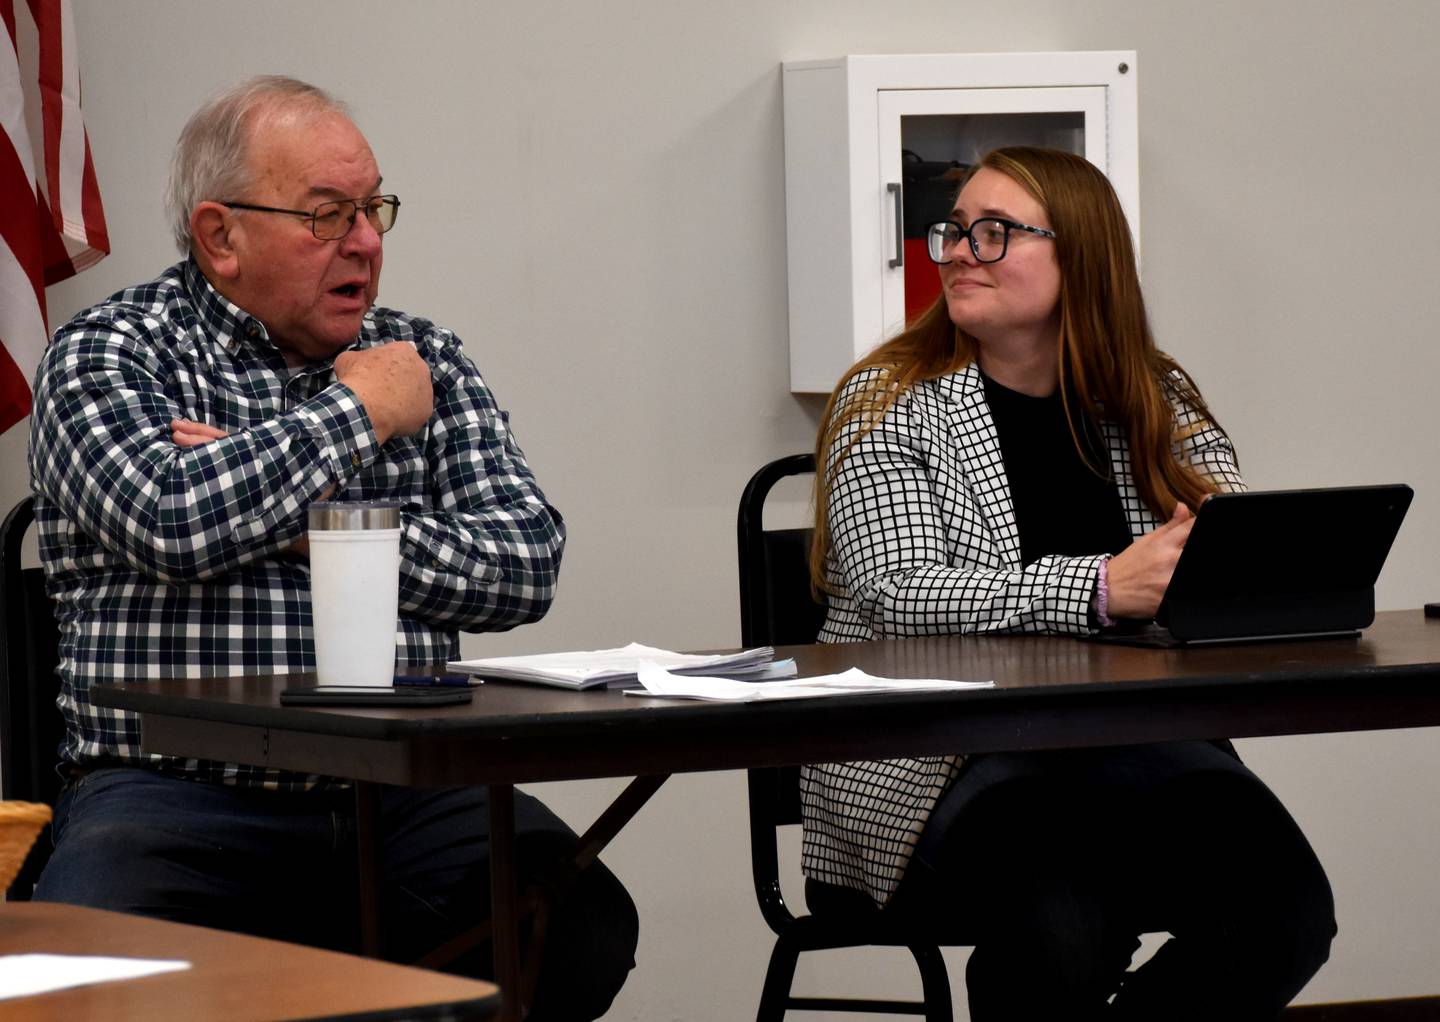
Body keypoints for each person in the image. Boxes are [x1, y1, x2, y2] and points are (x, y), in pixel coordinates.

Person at [27, 75, 636, 1021]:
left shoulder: (419, 357)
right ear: (220, 235)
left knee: (576, 920)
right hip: (175, 793)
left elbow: (523, 565)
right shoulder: (108, 353)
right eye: (327, 216)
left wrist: (318, 528)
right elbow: (174, 519)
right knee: (86, 979)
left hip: (400, 785)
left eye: (372, 208)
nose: (366, 242)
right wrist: (359, 415)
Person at [801, 146, 1335, 1019]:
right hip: (941, 752)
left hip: (1132, 736)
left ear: (1080, 255)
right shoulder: (888, 395)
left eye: (996, 231)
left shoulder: (1152, 395)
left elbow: (1224, 550)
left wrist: (1231, 568)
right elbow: (897, 592)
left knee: (1282, 911)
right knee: (1063, 922)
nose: (961, 251)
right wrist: (1098, 587)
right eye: (954, 230)